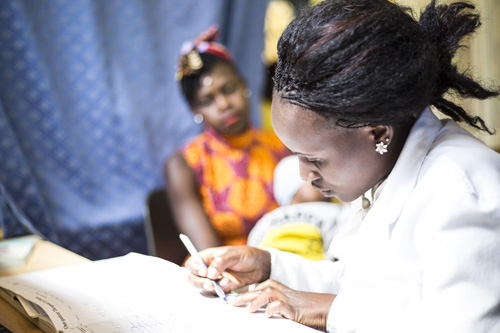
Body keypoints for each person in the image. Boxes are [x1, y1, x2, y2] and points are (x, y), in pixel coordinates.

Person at [184, 1, 500, 332]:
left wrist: (329, 312)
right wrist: (267, 266)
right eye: (298, 156)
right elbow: (362, 283)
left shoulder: (462, 191)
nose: (304, 175)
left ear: (377, 133)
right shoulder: (384, 169)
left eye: (315, 159)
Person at [164, 26, 289, 250]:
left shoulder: (284, 146)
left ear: (244, 85)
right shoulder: (184, 164)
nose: (224, 105)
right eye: (208, 101)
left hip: (291, 264)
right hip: (225, 276)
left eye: (229, 89)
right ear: (195, 110)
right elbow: (209, 253)